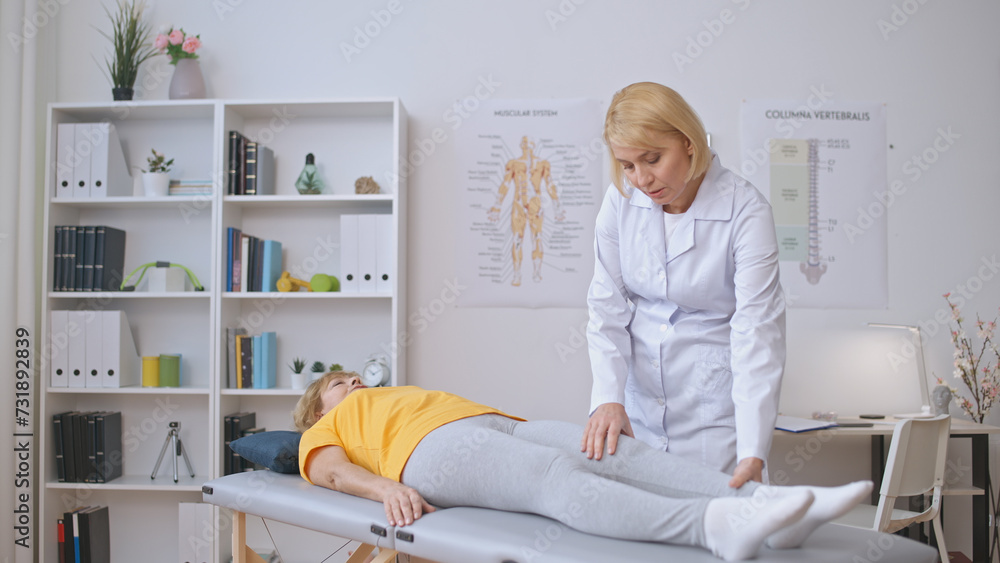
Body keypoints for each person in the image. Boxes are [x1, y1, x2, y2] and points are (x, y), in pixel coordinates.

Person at [295, 371, 870, 562]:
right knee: (556, 480)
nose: (354, 384)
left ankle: (761, 505)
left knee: (616, 448)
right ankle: (715, 528)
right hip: (428, 454)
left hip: (494, 420)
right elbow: (331, 472)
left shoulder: (390, 391)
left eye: (355, 377)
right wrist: (384, 488)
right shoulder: (326, 428)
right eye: (337, 385)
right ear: (317, 410)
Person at [583, 82, 785, 487]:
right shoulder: (620, 202)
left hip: (714, 420)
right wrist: (607, 397)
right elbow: (606, 307)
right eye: (627, 165)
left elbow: (756, 333)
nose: (641, 179)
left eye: (652, 159)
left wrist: (752, 450)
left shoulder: (746, 211)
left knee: (711, 534)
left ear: (689, 142)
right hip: (638, 413)